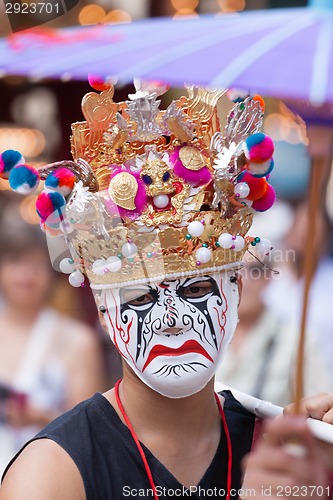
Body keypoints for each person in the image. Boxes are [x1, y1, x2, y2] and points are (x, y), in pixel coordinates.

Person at [0, 83, 328, 499]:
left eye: (197, 290)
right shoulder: (51, 475)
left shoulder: (283, 454)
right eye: (139, 298)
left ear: (237, 291)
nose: (171, 320)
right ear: (103, 311)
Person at [0, 207, 106, 475]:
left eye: (36, 265)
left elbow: (89, 432)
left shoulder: (78, 340)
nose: (25, 275)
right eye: (15, 262)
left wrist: (40, 417)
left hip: (47, 476)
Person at [216, 255, 332, 406]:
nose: (243, 280)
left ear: (269, 276)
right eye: (233, 271)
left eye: (255, 270)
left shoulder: (297, 338)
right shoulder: (200, 332)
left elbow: (319, 410)